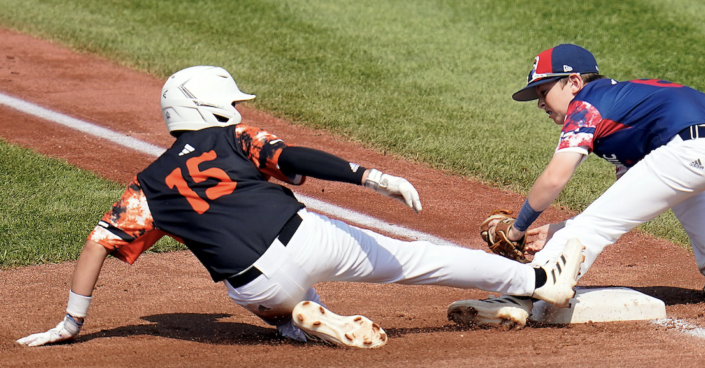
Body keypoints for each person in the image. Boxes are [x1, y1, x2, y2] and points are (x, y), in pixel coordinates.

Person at [17, 66, 584, 349]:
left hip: (256, 286)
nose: (238, 109)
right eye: (232, 102)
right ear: (210, 105)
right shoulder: (234, 140)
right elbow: (294, 155)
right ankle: (535, 278)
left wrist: (71, 322)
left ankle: (299, 322)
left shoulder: (147, 187)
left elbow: (97, 243)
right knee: (417, 261)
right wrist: (373, 177)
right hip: (307, 239)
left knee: (271, 302)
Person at [450, 44, 705, 327]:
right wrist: (555, 228)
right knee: (682, 190)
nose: (540, 103)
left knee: (593, 228)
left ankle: (518, 297)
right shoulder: (623, 103)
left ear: (573, 82)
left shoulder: (586, 104)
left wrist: (517, 230)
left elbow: (556, 177)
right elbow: (629, 201)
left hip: (693, 150)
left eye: (543, 91)